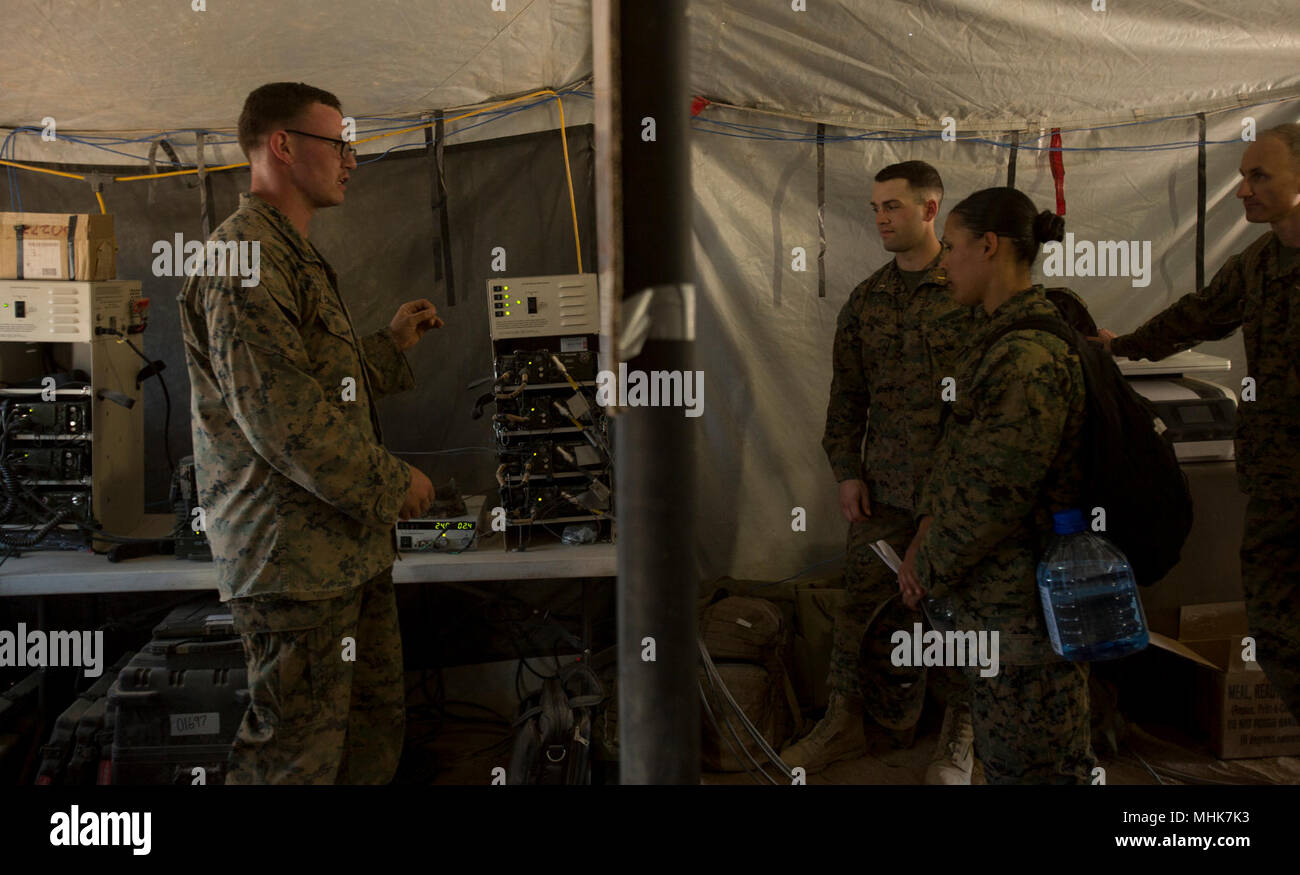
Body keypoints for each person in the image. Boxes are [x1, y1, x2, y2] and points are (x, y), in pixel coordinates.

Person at [176, 82, 441, 784]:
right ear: (283, 146)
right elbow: (283, 422)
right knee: (293, 762)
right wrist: (392, 483)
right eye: (339, 143)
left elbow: (317, 385)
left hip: (340, 554)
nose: (351, 159)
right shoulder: (244, 261)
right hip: (292, 564)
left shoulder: (286, 253)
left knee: (366, 743)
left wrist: (385, 347)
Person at [1097, 123, 1300, 722]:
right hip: (1279, 486)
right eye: (1242, 176)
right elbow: (1199, 316)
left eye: (1259, 175)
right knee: (1275, 626)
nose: (1243, 189)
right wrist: (1120, 347)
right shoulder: (1258, 263)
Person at [897, 187, 1097, 784]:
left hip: (1028, 618)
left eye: (952, 248)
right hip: (1002, 610)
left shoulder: (1027, 356)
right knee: (1010, 759)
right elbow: (963, 464)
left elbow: (993, 496)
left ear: (989, 247)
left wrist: (925, 567)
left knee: (1036, 765)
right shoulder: (997, 340)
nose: (944, 262)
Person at [792, 161, 976, 783]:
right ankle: (842, 721)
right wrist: (847, 471)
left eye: (892, 207)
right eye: (875, 207)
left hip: (959, 496)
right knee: (860, 613)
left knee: (957, 614)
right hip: (884, 495)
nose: (880, 219)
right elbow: (847, 399)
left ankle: (962, 732)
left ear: (930, 209)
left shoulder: (966, 292)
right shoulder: (867, 301)